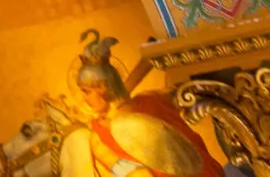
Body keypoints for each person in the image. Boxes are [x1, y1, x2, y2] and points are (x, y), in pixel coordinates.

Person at [49, 32, 216, 177]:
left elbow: (188, 89)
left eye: (87, 91)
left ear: (103, 87)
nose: (84, 99)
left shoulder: (152, 101)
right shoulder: (98, 133)